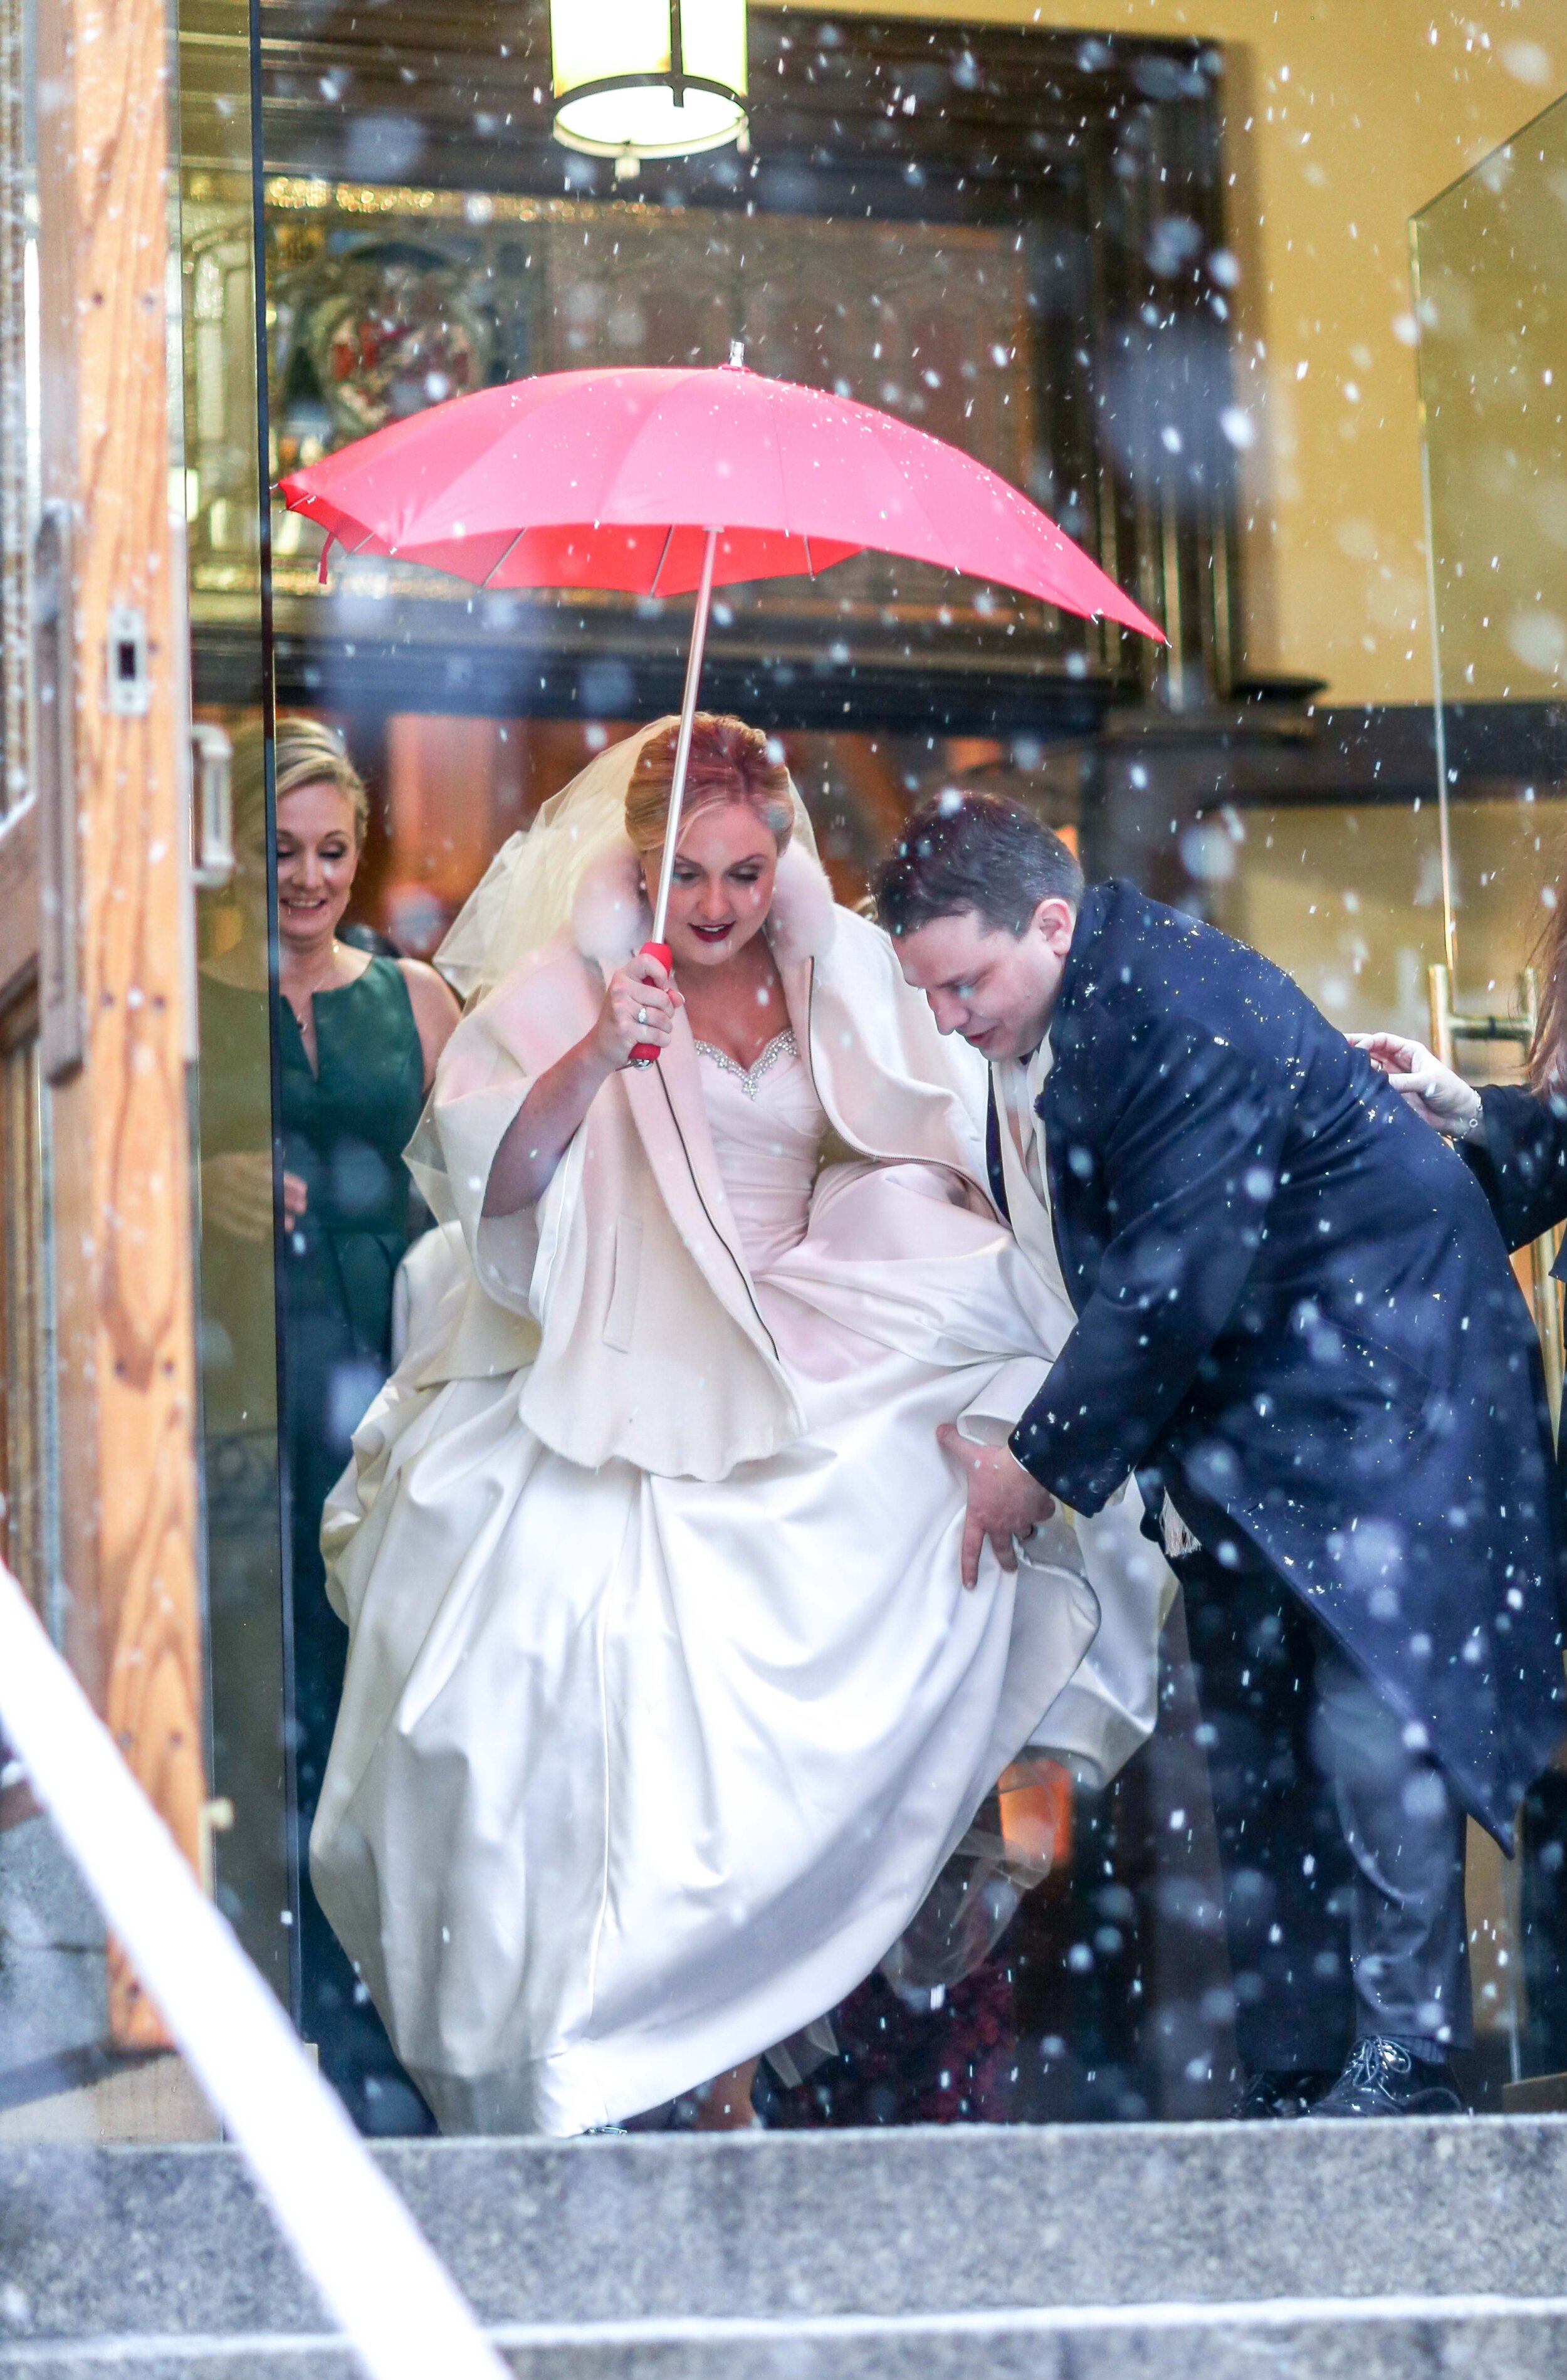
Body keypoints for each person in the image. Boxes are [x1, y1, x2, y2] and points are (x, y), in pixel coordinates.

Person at [310, 715, 1171, 2138]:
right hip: (631, 1335)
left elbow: (929, 1121)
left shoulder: (833, 961)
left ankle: (815, 1963)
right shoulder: (571, 981)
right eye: (686, 876)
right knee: (586, 1651)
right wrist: (598, 1052)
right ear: (636, 861)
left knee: (935, 1501)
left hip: (806, 1323)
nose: (714, 908)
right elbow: (497, 1192)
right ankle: (648, 2038)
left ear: (781, 857)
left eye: (743, 873)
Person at [878, 791, 1566, 2120]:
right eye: (929, 997)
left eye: (963, 984)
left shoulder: (1176, 1008)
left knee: (1372, 1724)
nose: (950, 1020)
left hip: (1389, 1396)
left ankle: (1405, 2058)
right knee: (1259, 1755)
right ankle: (1298, 2062)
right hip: (1269, 1421)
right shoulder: (1095, 990)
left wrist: (1034, 1462)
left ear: (1051, 921)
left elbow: (1167, 1282)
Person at [199, 717, 458, 2115]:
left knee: (392, 1695)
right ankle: (275, 2018)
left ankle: (385, 2026)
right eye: (281, 850)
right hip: (246, 1397)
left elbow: (483, 1197)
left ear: (362, 850)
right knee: (270, 1706)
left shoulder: (418, 1000)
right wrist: (198, 1192)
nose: (307, 880)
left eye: (331, 851)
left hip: (392, 1382)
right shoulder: (173, 1003)